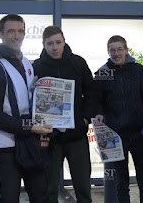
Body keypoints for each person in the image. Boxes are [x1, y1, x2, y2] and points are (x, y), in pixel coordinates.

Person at [0, 14, 53, 203]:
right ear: (0, 34)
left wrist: (37, 93)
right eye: (11, 31)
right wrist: (31, 126)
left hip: (29, 141)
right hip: (7, 146)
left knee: (40, 195)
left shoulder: (26, 63)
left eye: (20, 31)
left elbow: (24, 101)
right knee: (10, 198)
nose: (16, 36)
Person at [32, 25, 99, 203]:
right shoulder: (36, 67)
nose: (54, 47)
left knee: (83, 185)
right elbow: (29, 100)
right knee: (49, 188)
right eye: (50, 44)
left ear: (64, 41)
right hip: (49, 137)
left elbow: (92, 91)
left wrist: (85, 119)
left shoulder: (78, 63)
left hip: (76, 134)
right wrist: (32, 90)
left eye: (58, 42)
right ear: (44, 45)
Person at [95, 35, 143, 203]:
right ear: (108, 52)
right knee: (121, 184)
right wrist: (99, 112)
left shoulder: (139, 70)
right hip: (115, 137)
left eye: (119, 49)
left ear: (126, 50)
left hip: (139, 134)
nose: (116, 53)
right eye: (112, 50)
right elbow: (96, 100)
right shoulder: (102, 73)